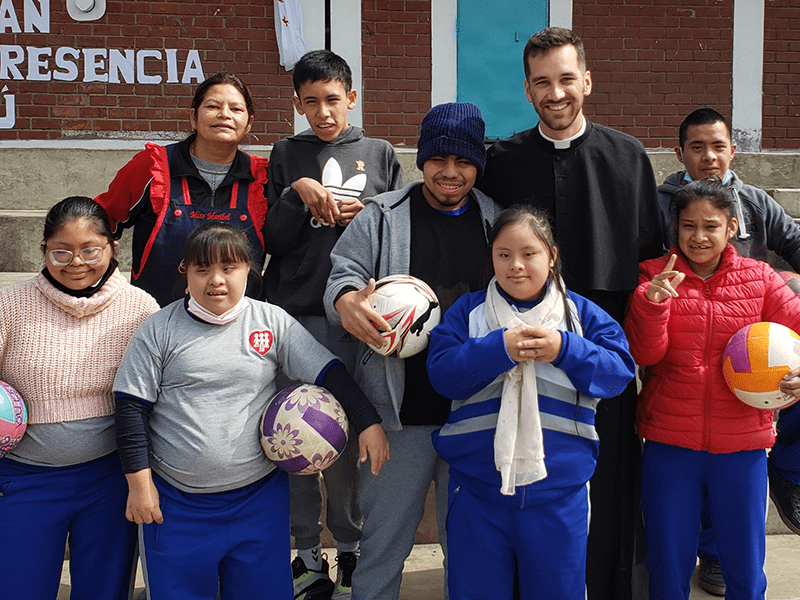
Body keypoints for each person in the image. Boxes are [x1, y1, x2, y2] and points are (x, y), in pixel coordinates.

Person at [477, 27, 663, 600]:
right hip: (517, 349)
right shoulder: (501, 162)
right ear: (527, 90)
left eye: (565, 79)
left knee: (605, 478)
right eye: (542, 83)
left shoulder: (627, 156)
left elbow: (651, 263)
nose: (555, 94)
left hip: (600, 352)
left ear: (587, 80)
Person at [113, 222, 390, 600]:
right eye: (202, 269)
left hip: (257, 501)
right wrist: (139, 486)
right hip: (177, 505)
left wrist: (368, 421)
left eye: (229, 268)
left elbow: (329, 372)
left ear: (249, 270)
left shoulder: (270, 321)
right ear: (185, 272)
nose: (216, 281)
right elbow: (130, 409)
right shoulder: (157, 330)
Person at [324, 102, 503, 600]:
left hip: (474, 412)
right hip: (398, 415)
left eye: (463, 161)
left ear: (478, 164)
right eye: (438, 159)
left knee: (467, 544)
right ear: (421, 159)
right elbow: (342, 277)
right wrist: (346, 303)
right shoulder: (382, 215)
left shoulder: (497, 221)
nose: (450, 173)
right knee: (383, 543)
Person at [425, 206, 635, 599]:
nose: (516, 266)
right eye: (503, 255)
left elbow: (618, 372)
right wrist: (496, 349)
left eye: (529, 254)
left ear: (552, 256)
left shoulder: (580, 316)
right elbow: (442, 375)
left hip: (559, 494)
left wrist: (565, 348)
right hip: (477, 492)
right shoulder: (469, 313)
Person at [262, 49, 404, 600]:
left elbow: (393, 234)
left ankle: (349, 547)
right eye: (311, 102)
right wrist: (298, 194)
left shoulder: (379, 152)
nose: (323, 112)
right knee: (294, 434)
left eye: (333, 100)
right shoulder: (285, 153)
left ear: (352, 97)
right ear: (297, 103)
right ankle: (303, 554)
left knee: (347, 437)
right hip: (297, 316)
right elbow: (273, 240)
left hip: (355, 319)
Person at [624, 180, 800, 600]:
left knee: (744, 566)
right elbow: (645, 354)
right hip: (670, 444)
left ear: (732, 227)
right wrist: (652, 304)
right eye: (688, 226)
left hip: (742, 447)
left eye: (710, 226)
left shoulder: (759, 278)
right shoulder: (653, 275)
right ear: (675, 228)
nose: (698, 237)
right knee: (668, 565)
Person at [658, 107, 800, 594]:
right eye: (697, 148)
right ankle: (701, 550)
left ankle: (784, 476)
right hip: (684, 356)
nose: (709, 157)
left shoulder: (757, 206)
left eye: (718, 146)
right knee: (680, 500)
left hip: (752, 357)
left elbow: (794, 245)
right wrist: (653, 301)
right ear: (680, 155)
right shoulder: (659, 208)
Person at [0, 197, 159, 599]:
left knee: (104, 591)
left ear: (112, 247)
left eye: (90, 250)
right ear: (43, 252)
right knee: (19, 587)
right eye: (61, 252)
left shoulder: (140, 307)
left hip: (110, 479)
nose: (76, 262)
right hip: (24, 479)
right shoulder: (10, 305)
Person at [95, 73, 268, 307]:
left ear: (249, 124)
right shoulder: (151, 166)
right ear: (193, 117)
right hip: (156, 319)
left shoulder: (264, 177)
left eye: (236, 109)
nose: (224, 114)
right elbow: (100, 221)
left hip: (238, 327)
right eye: (213, 106)